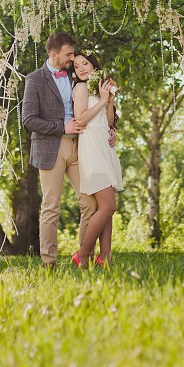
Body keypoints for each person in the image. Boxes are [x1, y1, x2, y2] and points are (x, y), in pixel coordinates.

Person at [21, 32, 99, 267]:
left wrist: (110, 127)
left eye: (73, 53)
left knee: (90, 203)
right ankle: (49, 261)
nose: (72, 58)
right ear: (53, 54)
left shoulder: (75, 76)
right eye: (68, 54)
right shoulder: (34, 80)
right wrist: (60, 126)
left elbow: (90, 105)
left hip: (78, 147)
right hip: (50, 148)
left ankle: (83, 258)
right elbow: (29, 119)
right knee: (51, 207)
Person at [70, 51, 123, 268]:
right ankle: (82, 254)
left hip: (105, 147)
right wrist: (101, 101)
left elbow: (109, 122)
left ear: (94, 67)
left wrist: (109, 100)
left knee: (106, 207)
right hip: (91, 147)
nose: (81, 68)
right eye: (76, 66)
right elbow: (80, 118)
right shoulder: (81, 88)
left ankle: (105, 257)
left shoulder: (98, 88)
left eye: (85, 64)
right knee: (109, 207)